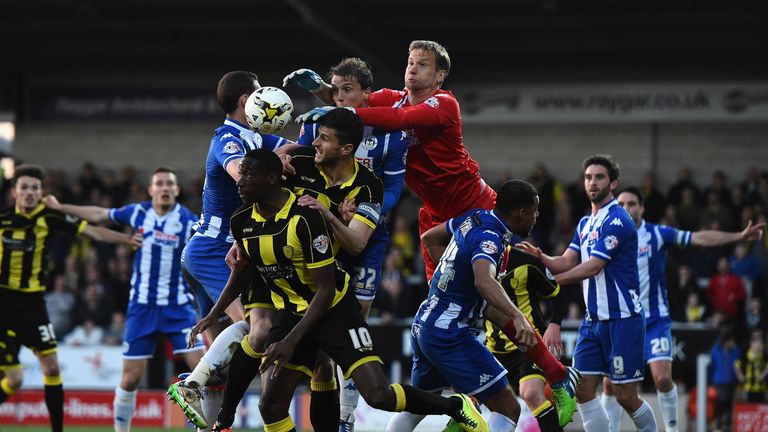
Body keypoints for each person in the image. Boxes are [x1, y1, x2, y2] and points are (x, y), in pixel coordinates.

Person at [191, 148, 489, 432]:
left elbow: (325, 289)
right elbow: (245, 271)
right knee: (270, 407)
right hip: (293, 314)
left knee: (378, 395)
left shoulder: (305, 219)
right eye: (240, 175)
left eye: (247, 175)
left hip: (335, 310)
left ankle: (455, 405)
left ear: (272, 178)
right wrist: (215, 313)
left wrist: (291, 341)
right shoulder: (242, 220)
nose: (240, 183)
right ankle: (224, 416)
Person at [287, 40, 496, 283]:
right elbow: (354, 101)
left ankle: (527, 321)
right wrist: (320, 89)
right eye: (410, 63)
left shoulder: (445, 103)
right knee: (442, 289)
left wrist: (347, 112)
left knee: (488, 286)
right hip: (434, 216)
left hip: (474, 204)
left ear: (439, 76)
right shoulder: (391, 97)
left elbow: (401, 118)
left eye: (422, 64)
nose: (412, 69)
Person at [386, 180, 581, 432]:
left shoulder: (473, 218)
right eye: (535, 210)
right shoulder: (491, 238)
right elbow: (483, 281)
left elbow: (429, 237)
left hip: (425, 324)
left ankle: (558, 375)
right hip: (450, 333)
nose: (537, 217)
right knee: (509, 408)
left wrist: (453, 276)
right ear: (521, 213)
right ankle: (557, 377)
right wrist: (517, 315)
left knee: (418, 407)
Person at [170, 71, 290, 428]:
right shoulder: (227, 138)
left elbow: (297, 147)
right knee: (259, 327)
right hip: (214, 250)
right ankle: (191, 383)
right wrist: (276, 167)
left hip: (213, 251)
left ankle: (211, 421)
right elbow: (243, 173)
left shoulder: (256, 136)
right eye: (257, 92)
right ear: (245, 100)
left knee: (219, 364)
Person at [45, 166, 206, 431]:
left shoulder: (190, 222)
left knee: (202, 371)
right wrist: (61, 207)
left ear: (176, 190)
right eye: (160, 183)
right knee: (130, 379)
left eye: (169, 184)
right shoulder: (139, 212)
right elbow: (99, 214)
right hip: (141, 308)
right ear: (151, 190)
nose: (165, 188)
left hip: (179, 309)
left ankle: (203, 425)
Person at [294, 59, 409, 429]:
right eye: (335, 88)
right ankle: (330, 417)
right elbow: (300, 168)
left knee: (355, 325)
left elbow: (392, 188)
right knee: (322, 331)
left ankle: (347, 418)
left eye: (347, 90)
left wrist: (366, 212)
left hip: (367, 235)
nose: (339, 96)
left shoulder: (390, 132)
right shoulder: (316, 122)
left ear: (366, 94)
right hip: (321, 233)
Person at [600, 186, 766, 432]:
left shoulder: (657, 233)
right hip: (622, 321)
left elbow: (697, 237)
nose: (626, 209)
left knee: (663, 378)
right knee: (610, 384)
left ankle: (672, 429)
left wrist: (738, 236)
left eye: (631, 204)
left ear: (641, 208)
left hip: (655, 319)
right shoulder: (608, 239)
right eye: (621, 205)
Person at [518, 155, 658, 432]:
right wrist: (542, 257)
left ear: (613, 183)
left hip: (624, 319)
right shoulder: (585, 224)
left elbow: (593, 266)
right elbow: (568, 261)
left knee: (626, 396)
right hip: (593, 321)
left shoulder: (618, 220)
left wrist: (549, 282)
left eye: (599, 177)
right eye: (588, 177)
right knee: (581, 390)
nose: (592, 182)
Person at [0, 164, 138, 432]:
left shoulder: (48, 218)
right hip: (3, 304)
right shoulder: (2, 221)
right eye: (24, 187)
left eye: (34, 188)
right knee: (14, 378)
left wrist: (126, 239)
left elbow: (94, 231)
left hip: (33, 305)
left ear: (41, 193)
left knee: (51, 369)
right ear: (15, 191)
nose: (29, 192)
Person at [735, 330, 768, 404]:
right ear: (752, 344)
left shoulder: (764, 355)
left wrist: (763, 374)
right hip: (749, 388)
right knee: (749, 406)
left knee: (760, 407)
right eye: (757, 343)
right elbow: (736, 365)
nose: (759, 345)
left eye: (760, 343)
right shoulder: (746, 355)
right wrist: (740, 375)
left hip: (761, 388)